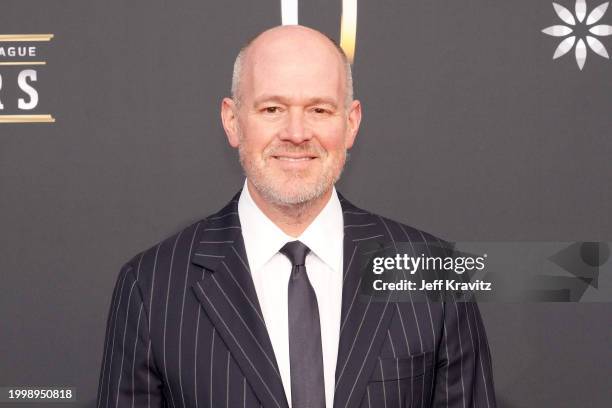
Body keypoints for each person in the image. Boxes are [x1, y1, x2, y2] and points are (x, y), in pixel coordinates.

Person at [96, 24, 496, 408]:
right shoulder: (152, 287)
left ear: (351, 123)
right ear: (233, 121)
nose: (296, 132)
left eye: (319, 109)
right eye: (272, 108)